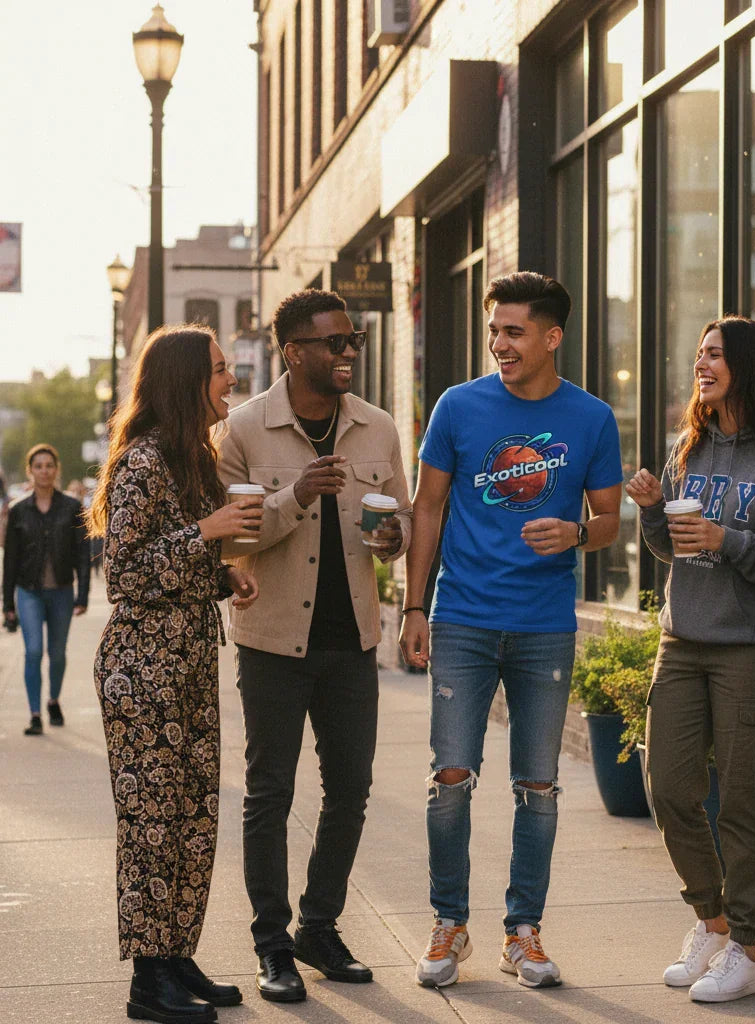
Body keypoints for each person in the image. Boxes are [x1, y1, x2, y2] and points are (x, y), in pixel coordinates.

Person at [399, 271, 623, 990]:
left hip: (544, 624)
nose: (499, 343)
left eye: (514, 332)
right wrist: (414, 607)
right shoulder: (458, 407)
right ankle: (448, 924)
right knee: (451, 778)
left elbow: (611, 521)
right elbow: (426, 508)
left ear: (553, 337)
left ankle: (522, 933)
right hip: (463, 617)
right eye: (494, 330)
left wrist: (578, 533)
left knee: (539, 786)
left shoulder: (591, 419)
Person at [217, 288, 411, 1003]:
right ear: (293, 351)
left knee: (351, 792)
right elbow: (231, 537)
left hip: (354, 641)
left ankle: (318, 926)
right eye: (333, 342)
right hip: (272, 643)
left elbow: (403, 522)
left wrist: (395, 540)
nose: (348, 353)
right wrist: (294, 496)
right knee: (268, 794)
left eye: (352, 340)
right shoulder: (242, 429)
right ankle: (272, 946)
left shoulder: (377, 427)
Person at [625, 317, 755, 1004]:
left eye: (714, 355)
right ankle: (711, 919)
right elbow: (675, 549)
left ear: (748, 366)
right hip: (683, 640)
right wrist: (651, 513)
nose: (701, 364)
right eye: (698, 353)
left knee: (742, 800)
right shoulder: (689, 448)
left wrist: (725, 538)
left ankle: (747, 948)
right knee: (668, 787)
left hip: (753, 650)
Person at [90, 326, 261, 1024]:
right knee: (151, 826)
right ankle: (146, 982)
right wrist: (209, 534)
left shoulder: (190, 459)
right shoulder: (140, 464)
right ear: (186, 379)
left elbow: (175, 564)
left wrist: (224, 577)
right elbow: (123, 575)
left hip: (186, 667)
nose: (230, 381)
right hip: (143, 673)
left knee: (194, 820)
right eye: (220, 370)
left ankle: (175, 954)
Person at [3, 444, 90, 735]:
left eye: (49, 465)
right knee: (33, 651)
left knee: (58, 652)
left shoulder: (72, 507)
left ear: (57, 469)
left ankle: (53, 700)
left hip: (62, 591)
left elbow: (82, 553)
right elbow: (11, 560)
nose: (44, 471)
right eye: (38, 466)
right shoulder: (18, 511)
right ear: (31, 471)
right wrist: (7, 605)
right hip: (28, 591)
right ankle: (35, 714)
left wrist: (83, 595)